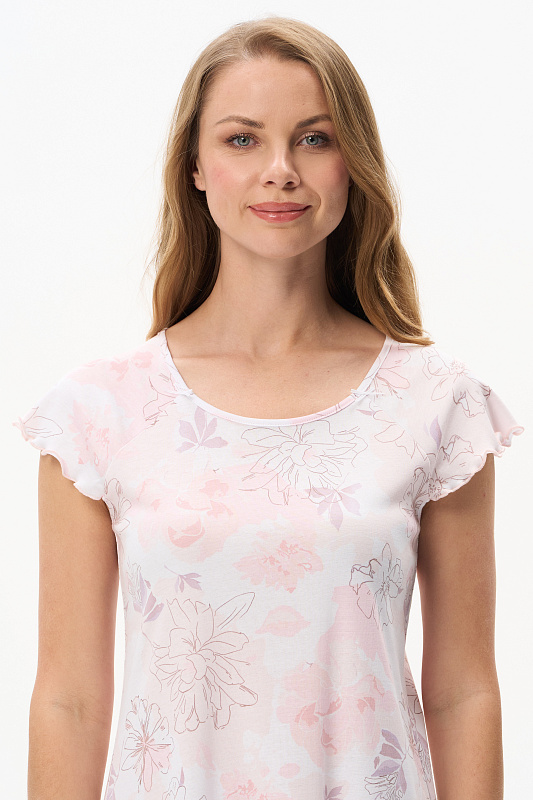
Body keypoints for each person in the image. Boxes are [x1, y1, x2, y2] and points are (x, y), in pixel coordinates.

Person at [13, 16, 524, 800]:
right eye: (242, 139)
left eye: (314, 139)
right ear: (195, 165)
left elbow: (463, 690)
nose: (280, 170)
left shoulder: (435, 405)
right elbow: (69, 701)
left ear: (353, 163)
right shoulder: (98, 413)